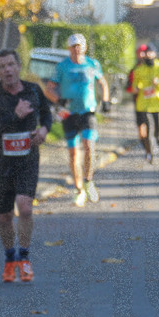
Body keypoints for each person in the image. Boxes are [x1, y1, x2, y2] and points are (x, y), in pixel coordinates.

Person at [0, 50, 52, 282]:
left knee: (26, 207)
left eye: (10, 65)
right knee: (4, 216)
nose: (7, 70)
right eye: (1, 67)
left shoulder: (33, 90)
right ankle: (10, 259)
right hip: (3, 162)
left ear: (19, 66)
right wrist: (15, 115)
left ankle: (25, 257)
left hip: (28, 159)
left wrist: (43, 130)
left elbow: (47, 115)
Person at [44, 33, 110, 207]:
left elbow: (103, 83)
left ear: (85, 47)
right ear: (69, 49)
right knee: (73, 153)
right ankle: (78, 189)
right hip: (69, 113)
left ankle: (88, 181)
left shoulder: (92, 64)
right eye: (73, 46)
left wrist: (106, 101)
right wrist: (59, 100)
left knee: (89, 146)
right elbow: (48, 89)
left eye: (79, 45)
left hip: (87, 112)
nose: (76, 49)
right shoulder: (62, 67)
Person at [131, 44, 159, 164]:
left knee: (158, 133)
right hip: (144, 104)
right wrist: (136, 88)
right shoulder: (138, 70)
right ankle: (150, 152)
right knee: (148, 130)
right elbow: (134, 86)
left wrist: (158, 83)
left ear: (155, 54)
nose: (148, 55)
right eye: (146, 53)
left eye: (150, 52)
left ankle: (158, 142)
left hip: (158, 104)